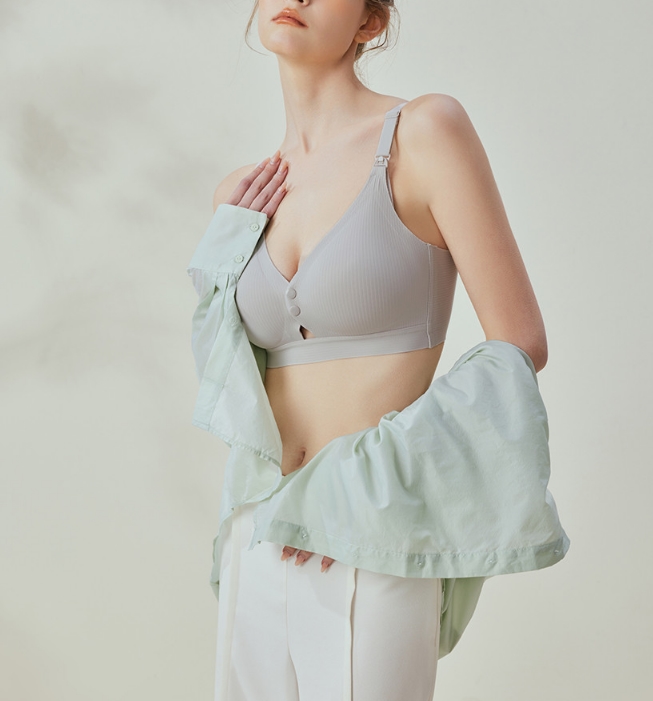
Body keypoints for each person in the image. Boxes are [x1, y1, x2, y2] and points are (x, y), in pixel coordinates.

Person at [185, 2, 570, 700]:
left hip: (371, 527)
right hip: (256, 526)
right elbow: (229, 384)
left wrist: (348, 488)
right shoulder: (240, 193)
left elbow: (519, 341)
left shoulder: (424, 131)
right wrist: (221, 251)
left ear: (369, 22)